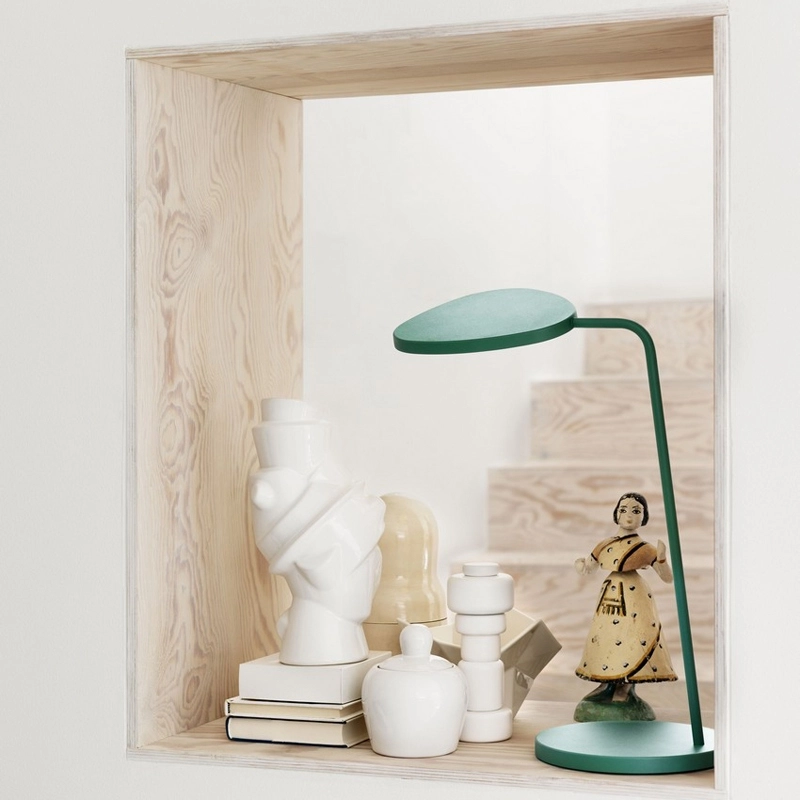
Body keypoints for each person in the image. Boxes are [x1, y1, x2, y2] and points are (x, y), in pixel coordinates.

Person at [573, 492, 677, 721]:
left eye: (636, 511)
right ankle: (607, 683)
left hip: (634, 598)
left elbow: (668, 578)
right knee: (608, 638)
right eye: (623, 510)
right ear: (616, 514)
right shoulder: (605, 545)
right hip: (609, 597)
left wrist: (661, 559)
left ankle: (625, 687)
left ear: (644, 517)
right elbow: (589, 567)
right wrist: (580, 565)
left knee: (631, 638)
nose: (628, 515)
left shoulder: (645, 549)